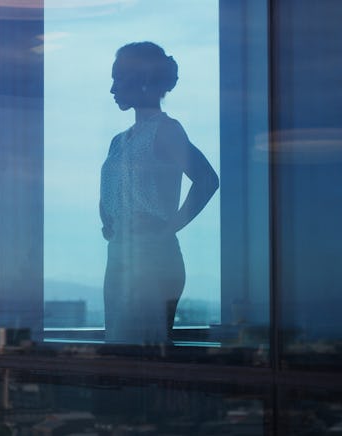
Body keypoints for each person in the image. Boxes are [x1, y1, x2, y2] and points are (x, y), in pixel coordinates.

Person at [100, 42, 219, 344]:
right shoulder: (119, 141)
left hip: (152, 259)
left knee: (143, 351)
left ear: (142, 80)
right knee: (122, 348)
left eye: (118, 78)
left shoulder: (167, 130)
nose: (112, 89)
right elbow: (114, 194)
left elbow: (207, 179)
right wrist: (109, 219)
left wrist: (168, 228)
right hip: (118, 258)